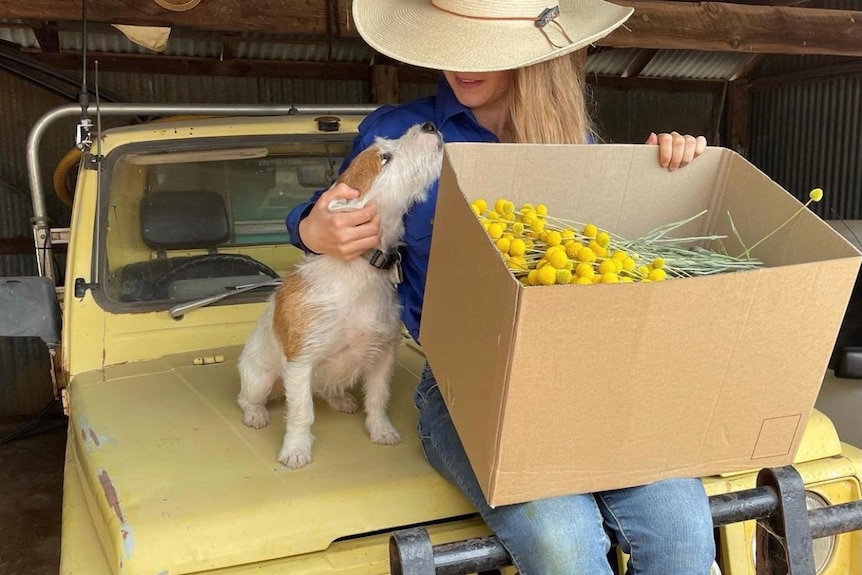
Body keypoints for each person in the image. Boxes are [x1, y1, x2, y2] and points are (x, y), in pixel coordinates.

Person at [286, 0, 715, 573]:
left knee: (685, 535)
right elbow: (333, 210)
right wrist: (313, 227)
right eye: (451, 46)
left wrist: (663, 173)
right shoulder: (397, 132)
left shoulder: (573, 141)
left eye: (485, 51)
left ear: (535, 58)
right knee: (564, 545)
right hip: (467, 388)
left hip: (582, 379)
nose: (462, 67)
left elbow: (609, 259)